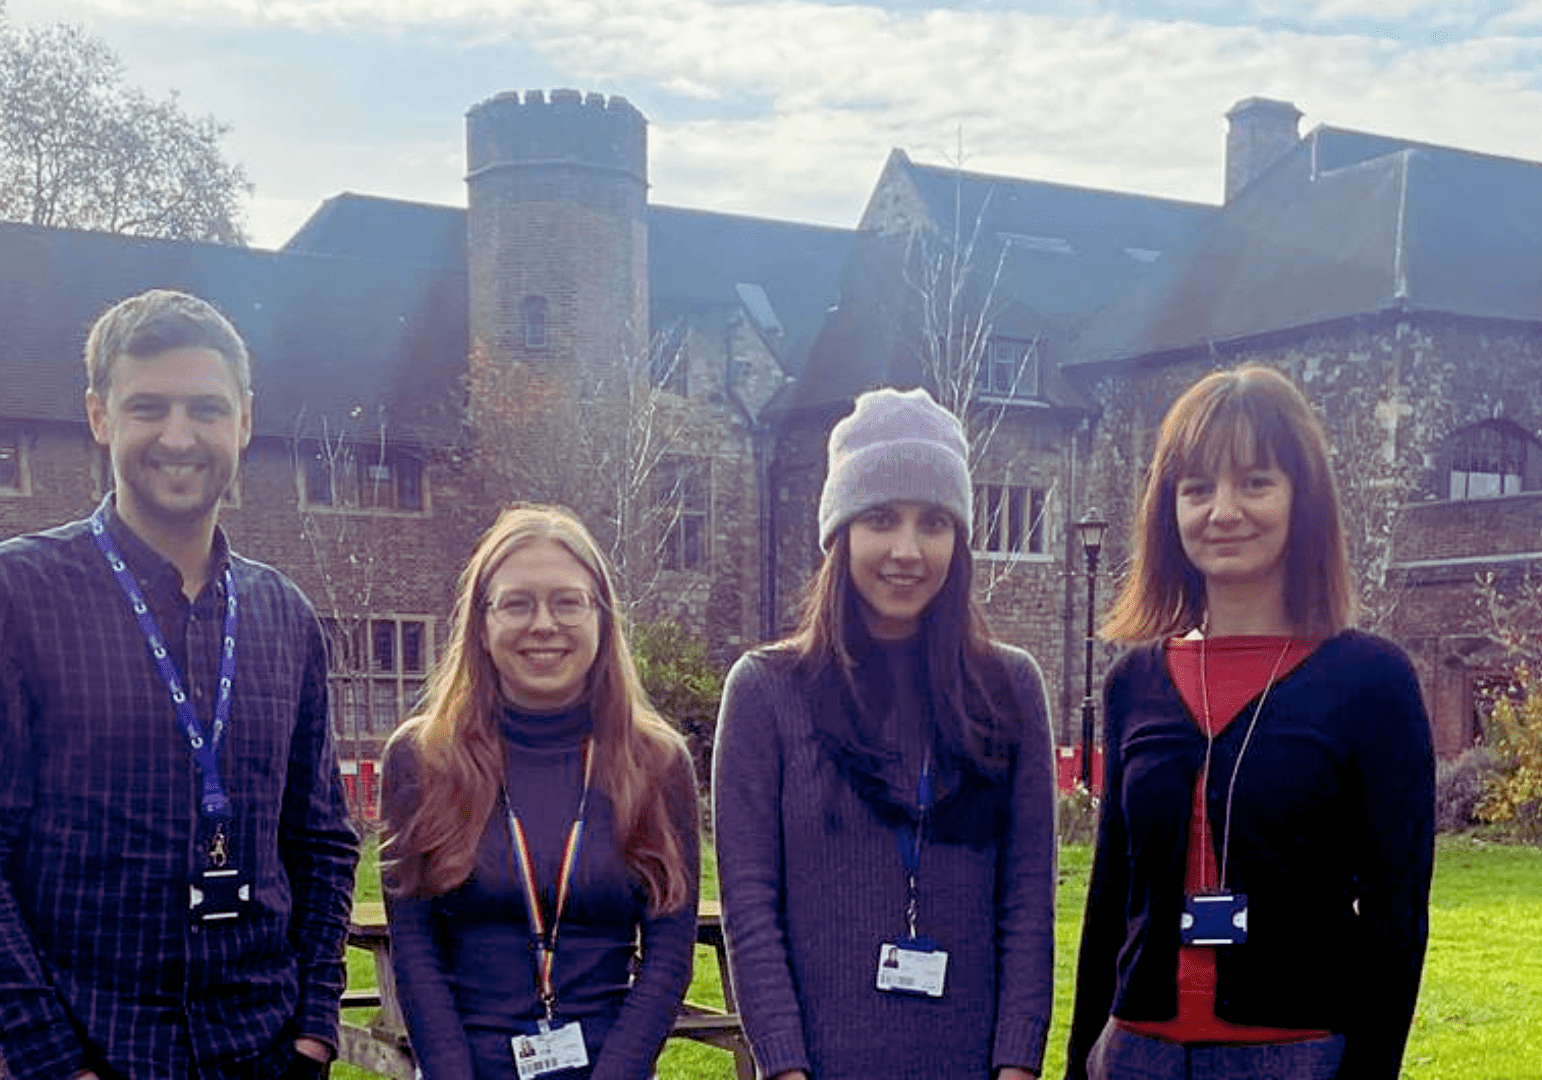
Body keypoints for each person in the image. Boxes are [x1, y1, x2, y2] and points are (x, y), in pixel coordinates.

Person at [0, 289, 359, 1080]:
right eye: (148, 407)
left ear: (245, 422)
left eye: (207, 409)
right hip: (97, 1049)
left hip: (265, 1050)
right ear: (98, 416)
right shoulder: (8, 594)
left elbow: (321, 840)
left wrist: (315, 1029)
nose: (179, 436)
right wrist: (52, 1059)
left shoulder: (283, 616)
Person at [1065, 365, 1435, 1080]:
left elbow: (1398, 915)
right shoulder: (1133, 682)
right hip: (1136, 1052)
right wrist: (1081, 1061)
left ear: (1303, 498)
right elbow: (1111, 897)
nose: (1223, 510)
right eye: (1197, 489)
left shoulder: (1371, 680)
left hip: (1297, 1055)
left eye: (1255, 482)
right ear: (1168, 509)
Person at [713, 387, 1057, 1080]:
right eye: (881, 518)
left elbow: (1028, 902)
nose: (907, 549)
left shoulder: (1010, 688)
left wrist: (1018, 1064)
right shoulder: (765, 692)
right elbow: (751, 908)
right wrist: (784, 1067)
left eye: (933, 522)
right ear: (839, 533)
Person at [379, 504, 700, 1080]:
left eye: (568, 602)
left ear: (602, 618)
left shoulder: (657, 762)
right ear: (481, 622)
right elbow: (415, 951)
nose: (544, 624)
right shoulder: (422, 759)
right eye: (518, 603)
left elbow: (670, 954)